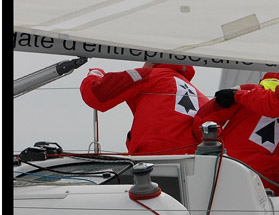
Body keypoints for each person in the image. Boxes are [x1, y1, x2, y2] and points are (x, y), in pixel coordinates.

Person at [194, 73, 279, 194]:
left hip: (224, 168)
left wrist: (214, 149)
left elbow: (203, 120)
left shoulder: (246, 91)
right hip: (265, 183)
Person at [80, 62, 208, 155]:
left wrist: (94, 74)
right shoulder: (199, 95)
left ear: (153, 61)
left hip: (154, 159)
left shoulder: (150, 75)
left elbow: (97, 95)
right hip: (192, 161)